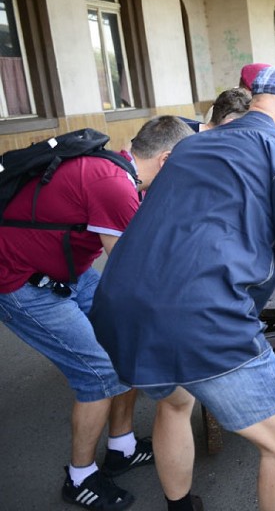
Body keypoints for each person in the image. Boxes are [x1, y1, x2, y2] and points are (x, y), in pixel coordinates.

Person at [89, 65, 275, 511]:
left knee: (175, 403)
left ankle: (180, 507)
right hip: (201, 319)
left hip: (120, 306)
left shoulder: (191, 146)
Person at [0, 116, 193, 510]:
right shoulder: (114, 185)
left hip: (68, 271)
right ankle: (80, 476)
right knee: (98, 372)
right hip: (19, 282)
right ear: (167, 159)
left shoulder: (116, 171)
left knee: (127, 337)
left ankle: (120, 447)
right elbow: (133, 276)